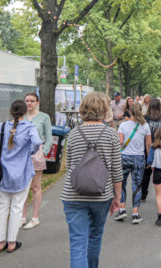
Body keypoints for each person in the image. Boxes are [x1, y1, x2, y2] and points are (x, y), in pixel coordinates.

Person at [61, 92, 122, 268]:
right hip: (101, 195)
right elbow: (116, 170)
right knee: (95, 237)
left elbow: (70, 166)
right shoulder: (111, 134)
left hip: (73, 195)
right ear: (104, 109)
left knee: (77, 241)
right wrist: (117, 197)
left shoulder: (73, 134)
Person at [0, 100, 41, 253]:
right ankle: (12, 243)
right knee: (17, 207)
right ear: (25, 112)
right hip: (22, 173)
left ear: (10, 111)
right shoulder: (29, 127)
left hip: (1, 174)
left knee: (1, 207)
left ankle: (0, 242)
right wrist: (30, 151)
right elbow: (37, 142)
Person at [114, 103, 151, 224]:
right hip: (139, 158)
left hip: (124, 157)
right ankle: (135, 214)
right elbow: (148, 145)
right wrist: (149, 159)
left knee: (122, 183)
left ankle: (122, 209)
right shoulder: (145, 126)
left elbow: (120, 142)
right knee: (136, 185)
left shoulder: (123, 125)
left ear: (130, 112)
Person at [21, 92, 53, 230]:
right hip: (21, 154)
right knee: (22, 187)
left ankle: (35, 217)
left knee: (35, 186)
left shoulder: (44, 117)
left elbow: (49, 137)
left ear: (37, 102)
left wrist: (43, 152)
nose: (29, 103)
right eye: (27, 101)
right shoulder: (20, 116)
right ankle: (22, 217)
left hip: (36, 154)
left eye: (32, 101)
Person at [141, 99, 161, 201]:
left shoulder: (145, 118)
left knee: (146, 173)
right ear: (160, 107)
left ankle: (143, 194)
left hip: (148, 147)